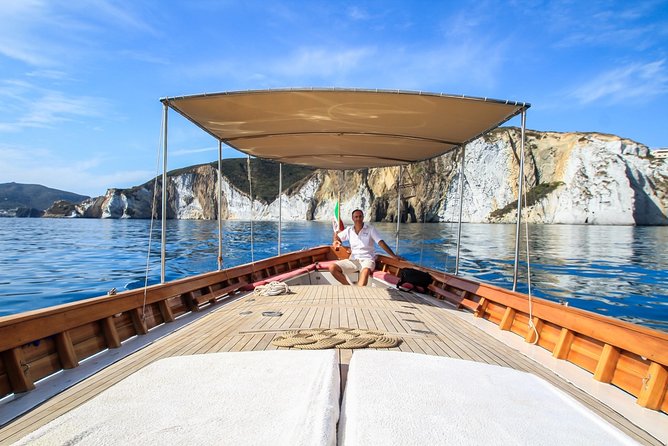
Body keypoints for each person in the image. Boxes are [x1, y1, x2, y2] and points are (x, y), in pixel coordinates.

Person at [329, 209, 401, 286]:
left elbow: (381, 243)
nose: (358, 219)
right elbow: (337, 238)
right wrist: (336, 240)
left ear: (363, 217)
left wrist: (393, 256)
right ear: (353, 218)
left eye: (360, 216)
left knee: (365, 271)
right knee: (332, 268)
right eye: (356, 217)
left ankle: (359, 293)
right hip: (353, 260)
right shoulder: (349, 230)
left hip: (367, 260)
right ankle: (350, 287)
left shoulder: (371, 229)